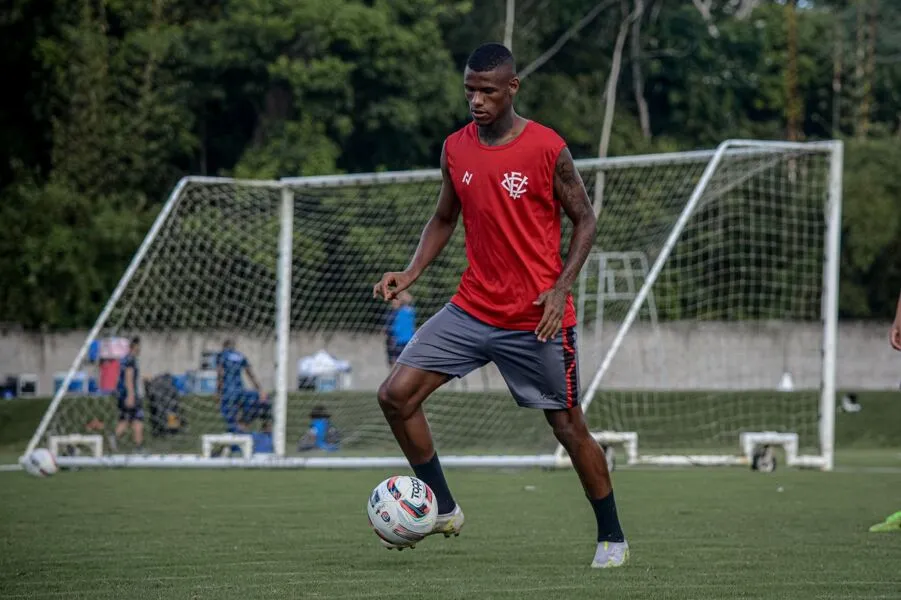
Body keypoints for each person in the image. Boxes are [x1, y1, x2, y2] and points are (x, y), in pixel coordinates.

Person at [372, 43, 628, 567]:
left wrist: (561, 286)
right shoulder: (455, 149)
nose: (477, 100)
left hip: (536, 319)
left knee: (568, 427)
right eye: (470, 89)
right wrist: (411, 271)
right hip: (472, 308)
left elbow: (585, 220)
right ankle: (443, 506)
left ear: (512, 89)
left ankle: (612, 536)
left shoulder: (546, 148)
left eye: (488, 90)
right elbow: (444, 218)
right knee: (396, 395)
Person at [217, 339, 269, 436]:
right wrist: (259, 389)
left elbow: (220, 374)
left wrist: (218, 392)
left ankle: (235, 439)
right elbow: (250, 373)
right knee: (241, 413)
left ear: (224, 346)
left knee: (230, 416)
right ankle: (243, 431)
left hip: (228, 390)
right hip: (239, 388)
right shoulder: (240, 356)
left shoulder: (222, 355)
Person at [110, 337, 145, 453]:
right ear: (134, 346)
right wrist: (131, 395)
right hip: (129, 395)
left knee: (127, 420)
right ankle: (138, 448)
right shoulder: (131, 360)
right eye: (139, 346)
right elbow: (128, 377)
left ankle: (115, 438)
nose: (140, 349)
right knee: (137, 419)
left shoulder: (124, 359)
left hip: (122, 394)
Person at [385, 291, 417, 366]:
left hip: (407, 342)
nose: (394, 302)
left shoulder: (408, 310)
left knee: (406, 364)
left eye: (396, 300)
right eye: (393, 301)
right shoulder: (391, 314)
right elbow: (388, 330)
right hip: (396, 343)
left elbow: (410, 299)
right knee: (394, 363)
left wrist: (402, 292)